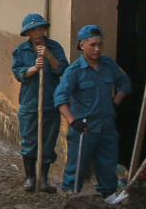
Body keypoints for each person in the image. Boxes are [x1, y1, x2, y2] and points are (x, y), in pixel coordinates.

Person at [54, 25, 132, 196]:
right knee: (77, 166)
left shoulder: (109, 64)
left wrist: (115, 103)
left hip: (106, 127)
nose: (97, 49)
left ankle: (108, 197)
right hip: (84, 129)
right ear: (82, 45)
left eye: (100, 44)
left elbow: (125, 83)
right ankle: (69, 197)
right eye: (93, 45)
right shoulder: (73, 71)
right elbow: (60, 98)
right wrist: (73, 121)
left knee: (108, 165)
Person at [12, 15, 66, 191]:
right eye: (33, 30)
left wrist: (49, 56)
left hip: (50, 103)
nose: (37, 32)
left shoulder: (55, 47)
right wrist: (34, 68)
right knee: (30, 142)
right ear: (27, 32)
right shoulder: (21, 51)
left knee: (48, 143)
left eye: (40, 28)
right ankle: (30, 179)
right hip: (30, 103)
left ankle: (43, 180)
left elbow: (63, 69)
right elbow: (18, 73)